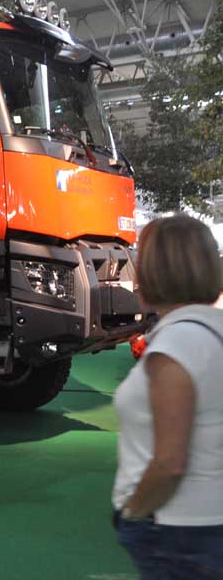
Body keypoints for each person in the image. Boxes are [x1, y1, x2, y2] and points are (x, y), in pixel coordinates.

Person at [112, 215, 223, 578]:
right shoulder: (211, 330)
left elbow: (170, 462)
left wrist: (135, 511)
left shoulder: (177, 343)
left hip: (179, 530)